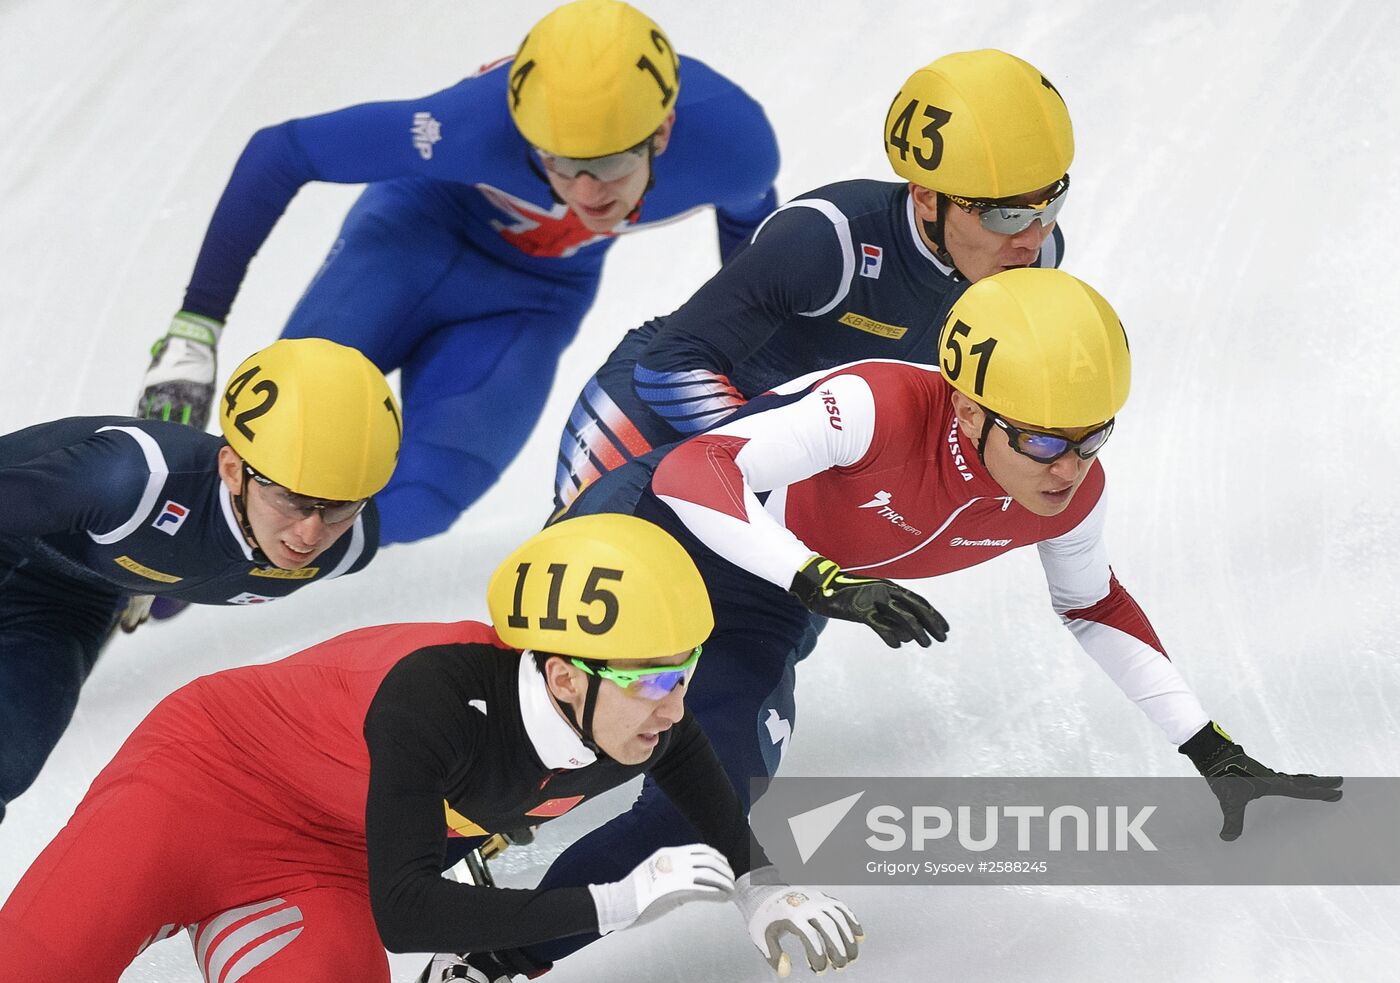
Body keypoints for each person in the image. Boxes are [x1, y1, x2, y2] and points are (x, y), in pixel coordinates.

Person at [503, 267, 1342, 973]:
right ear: (970, 412)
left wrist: (1210, 747)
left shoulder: (1072, 493)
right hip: (656, 533)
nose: (1069, 468)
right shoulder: (876, 406)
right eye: (1044, 442)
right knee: (572, 736)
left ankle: (495, 958)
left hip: (768, 598)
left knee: (695, 805)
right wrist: (818, 576)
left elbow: (1094, 605)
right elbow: (692, 469)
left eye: (1093, 438)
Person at [0, 515, 863, 982]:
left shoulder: (632, 710)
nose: (676, 704)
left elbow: (700, 782)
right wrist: (613, 902)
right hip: (197, 786)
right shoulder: (434, 698)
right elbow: (406, 913)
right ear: (565, 676)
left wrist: (760, 885)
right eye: (655, 678)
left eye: (686, 671)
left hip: (324, 863)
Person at [136, 0, 780, 546]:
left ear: (662, 132)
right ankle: (147, 552)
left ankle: (213, 563)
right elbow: (281, 152)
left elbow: (753, 248)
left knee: (424, 501)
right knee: (286, 445)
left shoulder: (734, 148)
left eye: (609, 164)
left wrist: (743, 359)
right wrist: (196, 327)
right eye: (558, 162)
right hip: (416, 235)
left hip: (535, 298)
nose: (585, 191)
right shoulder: (470, 125)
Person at [554, 48, 1072, 511]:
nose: (1031, 238)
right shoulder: (829, 239)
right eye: (1005, 215)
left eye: (1050, 204)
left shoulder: (1038, 256)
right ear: (927, 199)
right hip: (657, 412)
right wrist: (795, 466)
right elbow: (669, 366)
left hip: (793, 455)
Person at [0, 337, 400, 822]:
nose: (311, 533)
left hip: (74, 601)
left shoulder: (350, 546)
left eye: (338, 506)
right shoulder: (130, 479)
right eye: (292, 499)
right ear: (232, 469)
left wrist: (157, 575)